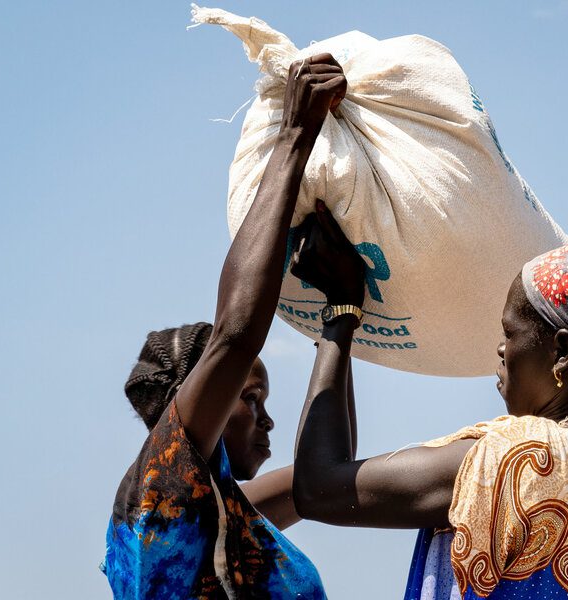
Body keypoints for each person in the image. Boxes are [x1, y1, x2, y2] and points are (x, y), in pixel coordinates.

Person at [291, 231, 568, 600]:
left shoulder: (513, 462)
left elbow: (317, 487)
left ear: (561, 352)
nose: (502, 349)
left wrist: (341, 313)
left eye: (510, 332)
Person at [101, 53, 349, 599]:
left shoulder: (230, 514)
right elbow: (235, 339)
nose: (268, 422)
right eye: (251, 398)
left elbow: (325, 482)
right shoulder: (157, 493)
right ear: (193, 398)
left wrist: (342, 312)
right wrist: (293, 139)